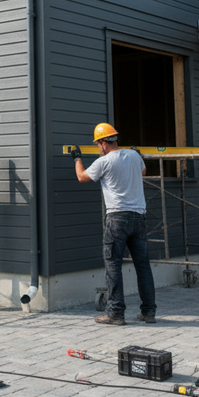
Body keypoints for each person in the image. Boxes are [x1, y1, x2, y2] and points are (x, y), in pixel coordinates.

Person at [72, 123, 156, 325]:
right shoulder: (134, 156)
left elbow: (82, 177)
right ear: (115, 139)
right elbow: (143, 172)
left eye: (98, 143)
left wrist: (77, 159)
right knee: (143, 266)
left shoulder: (104, 161)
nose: (98, 147)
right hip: (138, 217)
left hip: (117, 219)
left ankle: (116, 313)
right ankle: (148, 313)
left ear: (102, 143)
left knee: (113, 266)